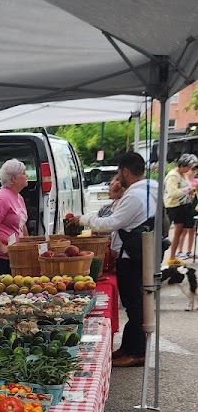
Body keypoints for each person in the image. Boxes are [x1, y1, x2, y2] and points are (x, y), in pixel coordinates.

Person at [73, 151, 157, 368]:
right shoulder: (152, 188)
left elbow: (110, 223)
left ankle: (137, 352)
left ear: (126, 171)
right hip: (143, 252)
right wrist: (118, 196)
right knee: (135, 302)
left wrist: (83, 219)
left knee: (134, 304)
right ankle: (129, 347)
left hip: (132, 255)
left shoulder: (134, 195)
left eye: (119, 173)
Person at [162, 153, 197, 265]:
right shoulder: (173, 176)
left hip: (183, 206)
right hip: (172, 207)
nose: (189, 170)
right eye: (189, 167)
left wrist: (191, 191)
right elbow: (173, 192)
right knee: (165, 233)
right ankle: (161, 257)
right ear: (183, 165)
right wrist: (188, 189)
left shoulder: (183, 175)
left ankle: (172, 257)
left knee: (179, 232)